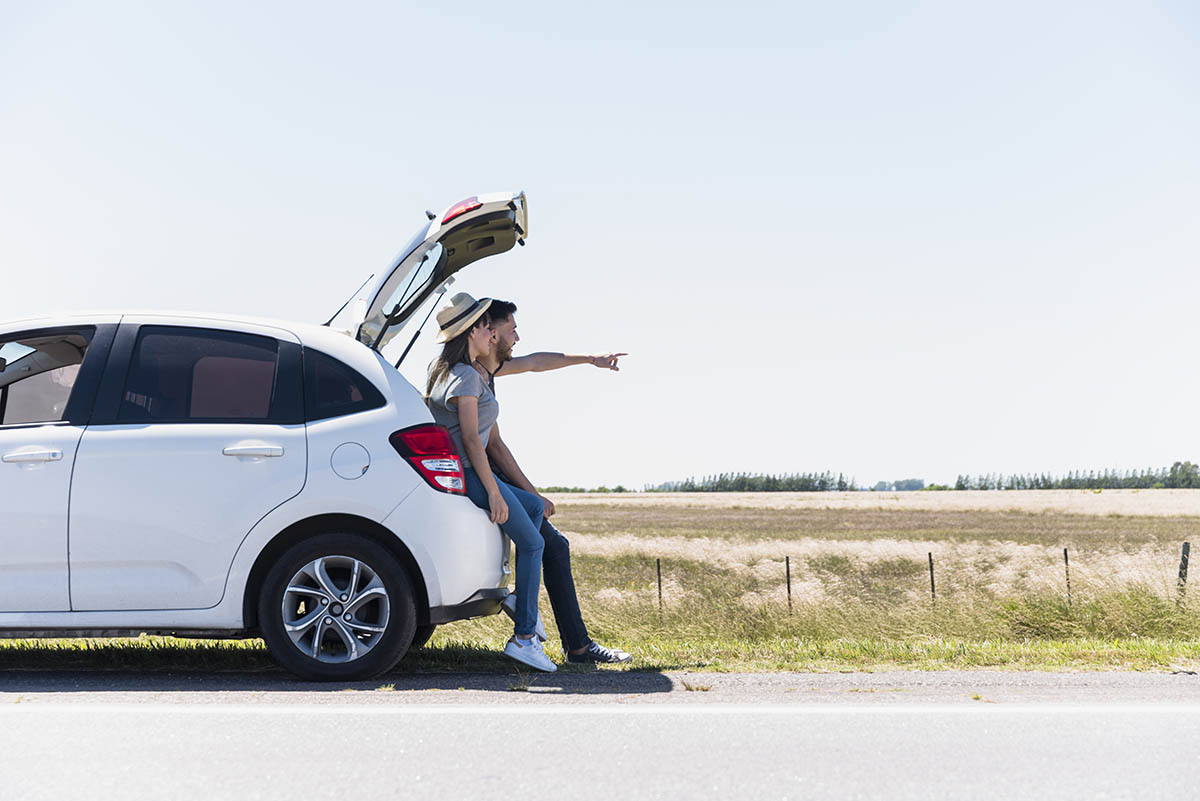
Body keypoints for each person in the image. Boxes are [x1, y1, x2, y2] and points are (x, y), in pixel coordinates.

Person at [478, 298, 633, 664]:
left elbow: (536, 363)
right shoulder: (468, 375)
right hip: (484, 478)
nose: (517, 336)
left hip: (496, 474)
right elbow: (489, 449)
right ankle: (571, 644)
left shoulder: (488, 371)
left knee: (554, 544)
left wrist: (590, 358)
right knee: (552, 545)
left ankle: (572, 641)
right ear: (492, 332)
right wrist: (532, 496)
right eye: (512, 329)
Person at [425, 293, 556, 672]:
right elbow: (470, 440)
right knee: (533, 544)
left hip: (469, 469)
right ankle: (524, 639)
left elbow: (532, 366)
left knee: (533, 508)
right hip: (467, 473)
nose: (491, 333)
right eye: (486, 327)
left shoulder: (455, 369)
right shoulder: (465, 376)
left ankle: (519, 602)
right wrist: (495, 492)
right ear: (471, 332)